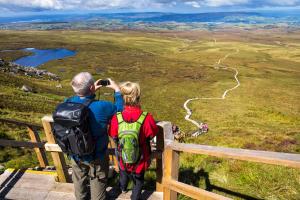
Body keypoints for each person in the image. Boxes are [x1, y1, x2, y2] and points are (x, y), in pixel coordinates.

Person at [68, 72, 123, 200]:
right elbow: (120, 112)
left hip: (75, 152)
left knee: (79, 178)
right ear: (92, 87)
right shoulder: (102, 106)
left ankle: (80, 197)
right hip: (97, 154)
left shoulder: (68, 102)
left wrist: (90, 91)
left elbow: (78, 97)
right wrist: (117, 90)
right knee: (98, 179)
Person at [109, 81, 158, 200]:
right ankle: (135, 197)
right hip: (140, 158)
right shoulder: (146, 117)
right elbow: (152, 134)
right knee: (139, 179)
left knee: (123, 173)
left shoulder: (117, 117)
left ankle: (123, 188)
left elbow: (113, 134)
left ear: (123, 97)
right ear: (138, 96)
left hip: (122, 156)